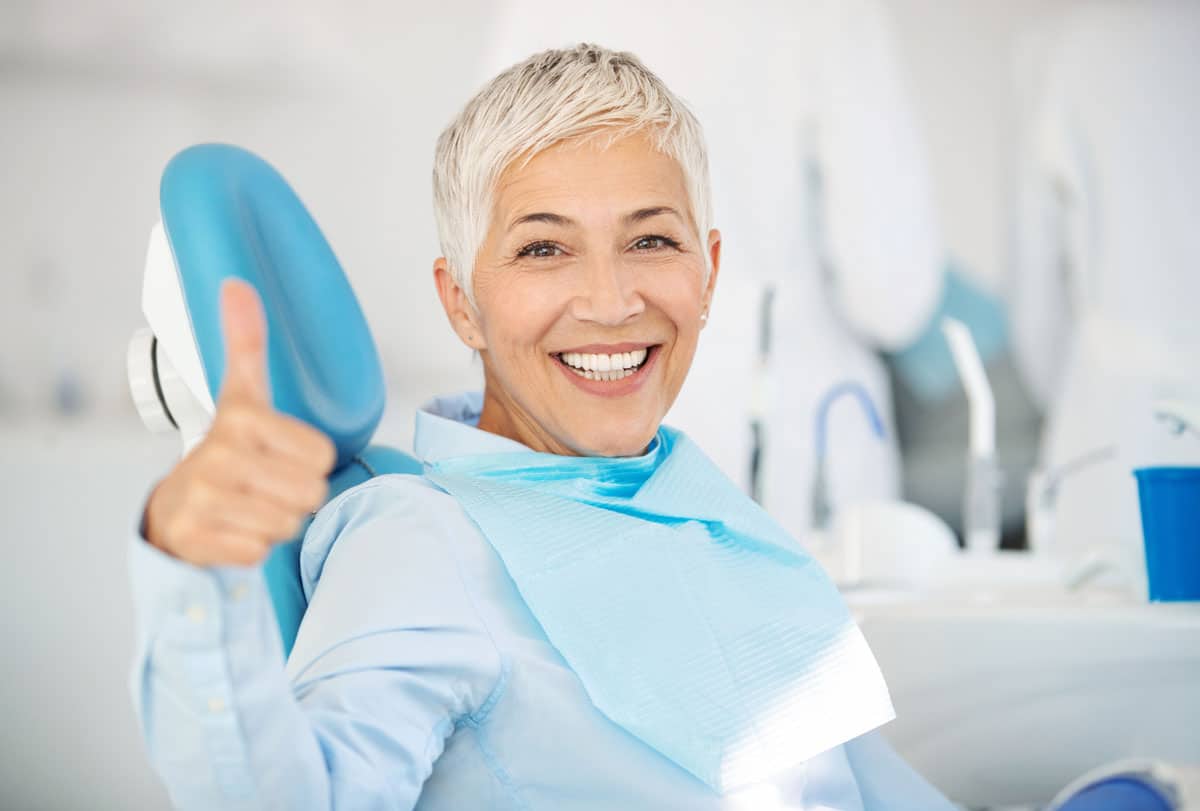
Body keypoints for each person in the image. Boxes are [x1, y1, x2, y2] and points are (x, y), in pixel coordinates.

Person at [129, 44, 954, 809]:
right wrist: (194, 575)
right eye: (543, 250)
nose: (610, 299)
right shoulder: (426, 540)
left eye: (651, 239)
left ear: (708, 273)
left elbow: (849, 778)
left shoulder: (690, 503)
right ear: (462, 302)